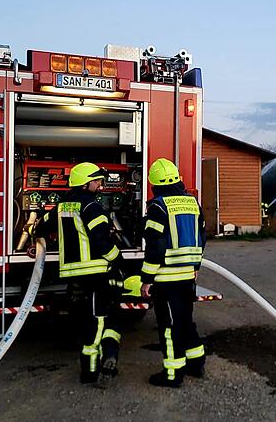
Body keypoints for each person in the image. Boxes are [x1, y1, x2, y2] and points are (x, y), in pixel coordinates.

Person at [32, 162, 123, 387]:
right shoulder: (92, 207)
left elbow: (40, 226)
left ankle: (89, 369)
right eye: (97, 181)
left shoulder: (62, 205)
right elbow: (102, 240)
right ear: (86, 182)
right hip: (96, 272)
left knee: (83, 321)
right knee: (100, 319)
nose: (100, 185)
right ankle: (93, 371)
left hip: (73, 275)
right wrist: (118, 260)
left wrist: (36, 239)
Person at [141, 158, 206, 388]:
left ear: (154, 184)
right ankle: (196, 363)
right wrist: (195, 267)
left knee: (168, 327)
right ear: (178, 179)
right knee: (185, 321)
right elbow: (202, 237)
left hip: (165, 279)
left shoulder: (157, 206)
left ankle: (172, 374)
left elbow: (155, 247)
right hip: (187, 276)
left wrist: (147, 279)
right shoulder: (192, 203)